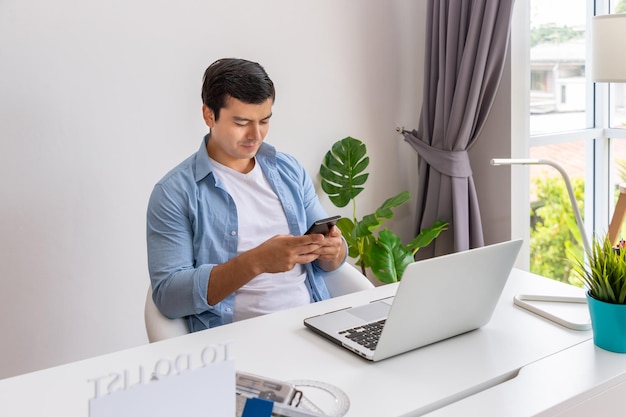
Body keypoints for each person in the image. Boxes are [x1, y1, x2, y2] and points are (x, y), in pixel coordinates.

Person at [146, 58, 347, 332]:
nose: (256, 135)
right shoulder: (174, 193)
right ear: (209, 115)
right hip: (237, 340)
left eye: (264, 121)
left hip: (311, 326)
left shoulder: (289, 170)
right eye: (241, 122)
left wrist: (333, 251)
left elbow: (331, 259)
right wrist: (256, 262)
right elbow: (169, 296)